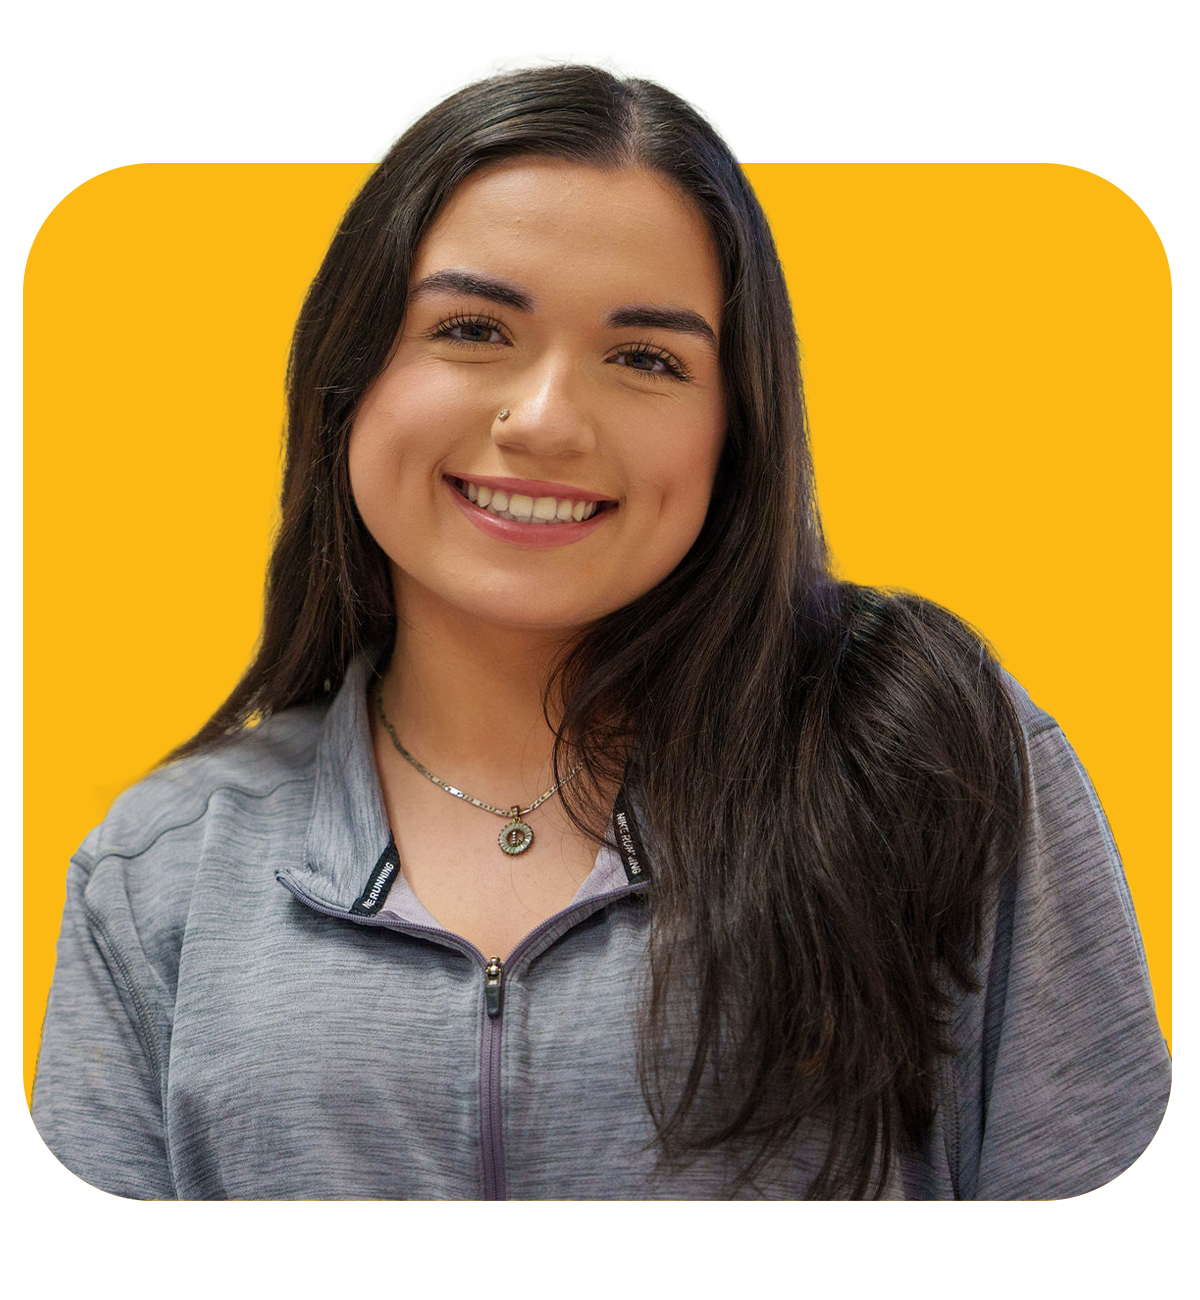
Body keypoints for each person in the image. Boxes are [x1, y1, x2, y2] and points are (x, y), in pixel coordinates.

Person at [31, 51, 1170, 1200]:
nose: (546, 420)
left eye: (645, 357)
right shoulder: (161, 869)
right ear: (348, 370)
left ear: (736, 426)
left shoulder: (929, 756)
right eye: (473, 328)